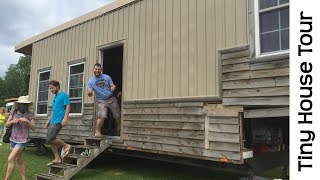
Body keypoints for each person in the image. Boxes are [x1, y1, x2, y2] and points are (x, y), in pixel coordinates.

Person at [4, 96, 35, 180]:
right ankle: (24, 178)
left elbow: (33, 127)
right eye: (23, 104)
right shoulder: (13, 112)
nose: (24, 106)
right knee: (19, 160)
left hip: (23, 140)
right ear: (19, 104)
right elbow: (6, 124)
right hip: (13, 138)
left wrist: (27, 121)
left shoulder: (29, 114)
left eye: (26, 104)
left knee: (10, 159)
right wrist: (12, 121)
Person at [87, 63, 121, 137]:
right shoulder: (90, 81)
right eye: (96, 69)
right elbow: (90, 91)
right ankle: (97, 132)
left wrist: (113, 87)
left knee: (117, 115)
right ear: (93, 70)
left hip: (111, 98)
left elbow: (112, 85)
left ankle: (119, 127)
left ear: (101, 70)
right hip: (101, 101)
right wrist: (89, 93)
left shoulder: (107, 77)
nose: (97, 70)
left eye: (99, 69)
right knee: (102, 116)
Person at [45, 80, 71, 166]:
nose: (51, 90)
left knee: (49, 139)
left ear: (57, 86)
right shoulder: (55, 97)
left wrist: (65, 118)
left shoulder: (63, 95)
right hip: (53, 121)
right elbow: (53, 110)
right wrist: (48, 120)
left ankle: (66, 146)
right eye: (50, 88)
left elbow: (68, 106)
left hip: (59, 121)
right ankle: (57, 158)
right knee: (51, 140)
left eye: (52, 88)